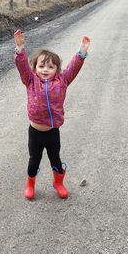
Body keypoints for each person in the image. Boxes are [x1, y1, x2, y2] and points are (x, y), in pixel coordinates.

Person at [14, 30, 90, 200]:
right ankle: (30, 184)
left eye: (50, 66)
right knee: (34, 160)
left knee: (55, 159)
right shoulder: (30, 81)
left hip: (52, 132)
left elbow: (73, 67)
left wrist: (81, 53)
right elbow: (22, 67)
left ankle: (58, 183)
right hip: (35, 133)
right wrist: (20, 49)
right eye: (41, 66)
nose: (45, 69)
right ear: (35, 69)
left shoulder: (62, 81)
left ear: (57, 69)